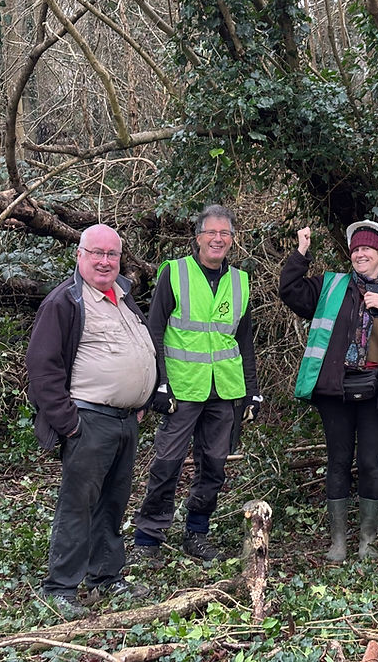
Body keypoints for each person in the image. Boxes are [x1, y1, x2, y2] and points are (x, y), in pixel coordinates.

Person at [279, 220, 378, 561]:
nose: (360, 253)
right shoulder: (332, 286)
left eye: (367, 248)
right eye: (355, 249)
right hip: (334, 392)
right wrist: (301, 253)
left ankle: (368, 542)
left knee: (370, 463)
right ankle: (338, 543)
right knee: (337, 462)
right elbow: (291, 292)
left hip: (375, 395)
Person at [27, 224, 156, 620]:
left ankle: (106, 576)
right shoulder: (65, 301)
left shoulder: (123, 297)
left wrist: (141, 399)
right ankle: (61, 587)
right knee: (78, 505)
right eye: (96, 253)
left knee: (113, 504)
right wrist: (69, 423)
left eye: (112, 254)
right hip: (89, 419)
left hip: (124, 421)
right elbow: (42, 366)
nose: (105, 261)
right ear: (79, 255)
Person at [133, 204, 261, 562]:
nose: (218, 239)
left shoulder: (240, 281)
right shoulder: (175, 273)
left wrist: (253, 390)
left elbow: (245, 340)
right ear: (198, 237)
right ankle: (148, 538)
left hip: (225, 390)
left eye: (225, 234)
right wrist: (158, 384)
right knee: (167, 461)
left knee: (214, 465)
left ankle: (197, 533)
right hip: (182, 388)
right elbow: (153, 330)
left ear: (232, 241)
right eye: (212, 233)